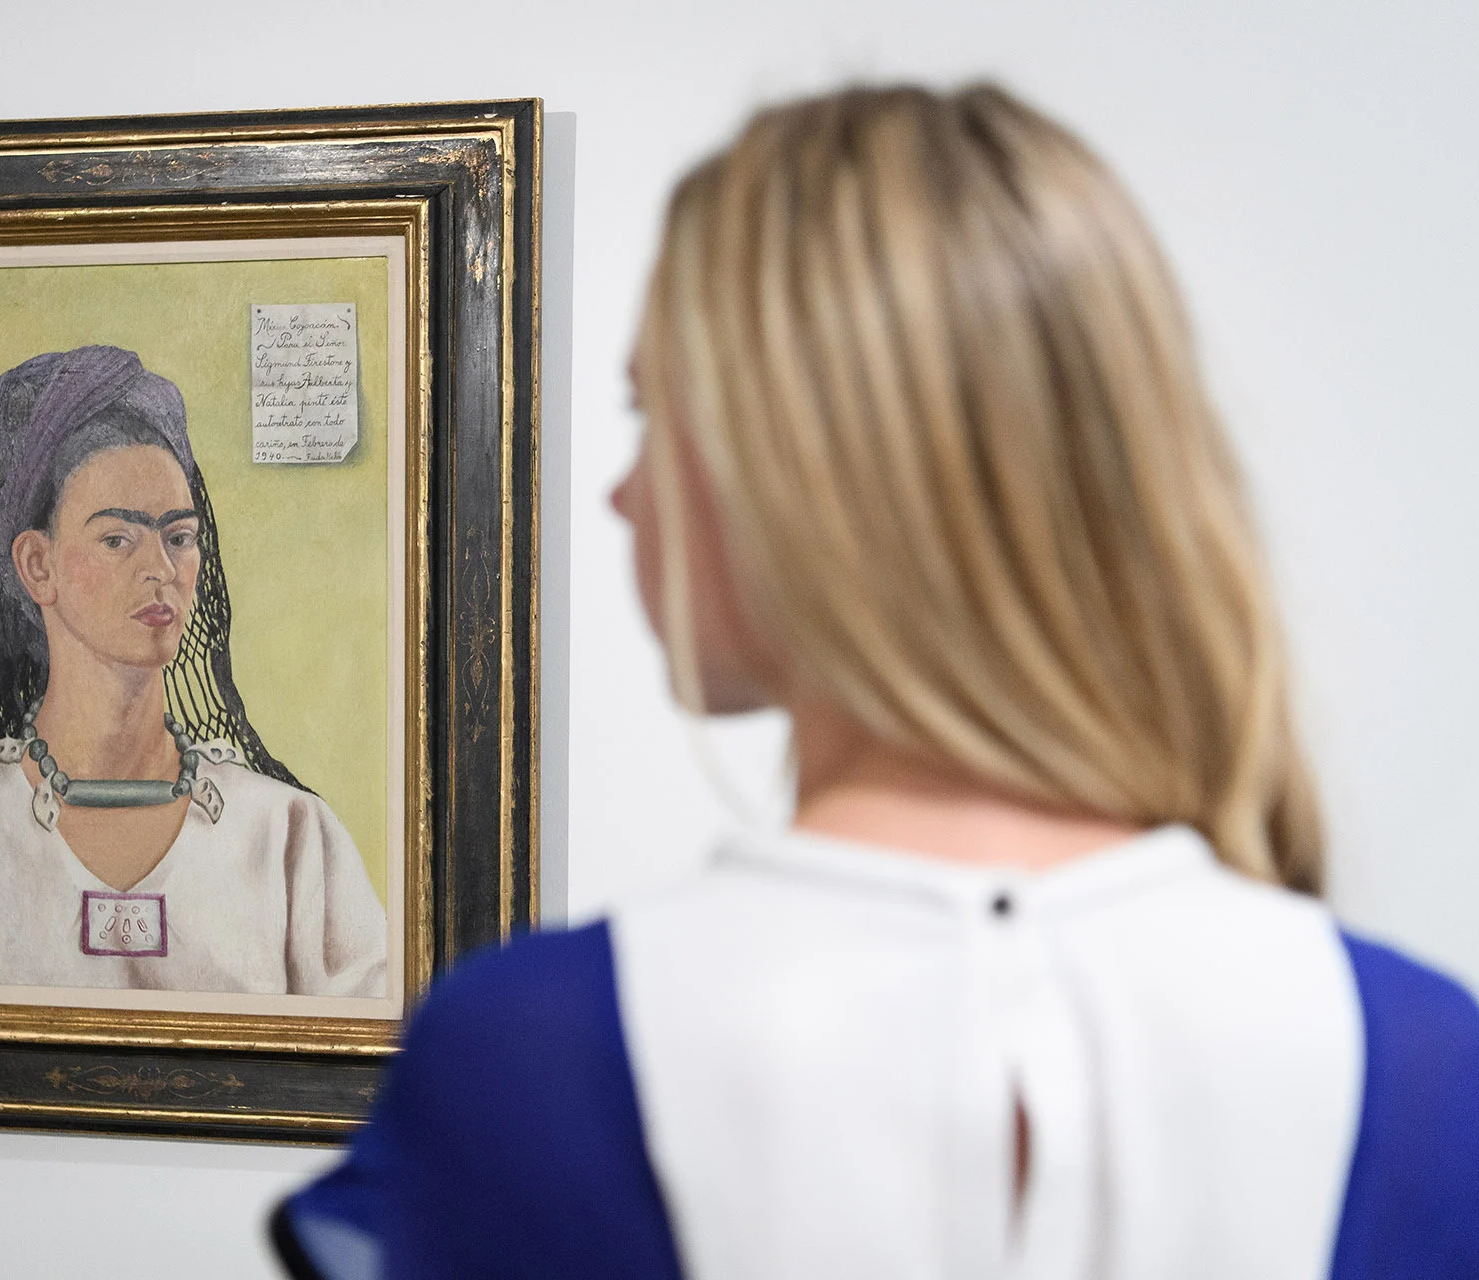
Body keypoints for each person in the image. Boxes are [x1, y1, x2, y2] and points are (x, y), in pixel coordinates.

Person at [270, 84, 1479, 1277]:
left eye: (649, 413)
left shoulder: (532, 1055)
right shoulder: (1425, 1062)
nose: (621, 492)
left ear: (793, 467)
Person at [0, 344, 387, 997]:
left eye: (179, 537)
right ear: (37, 566)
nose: (161, 570)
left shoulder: (291, 836)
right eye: (118, 538)